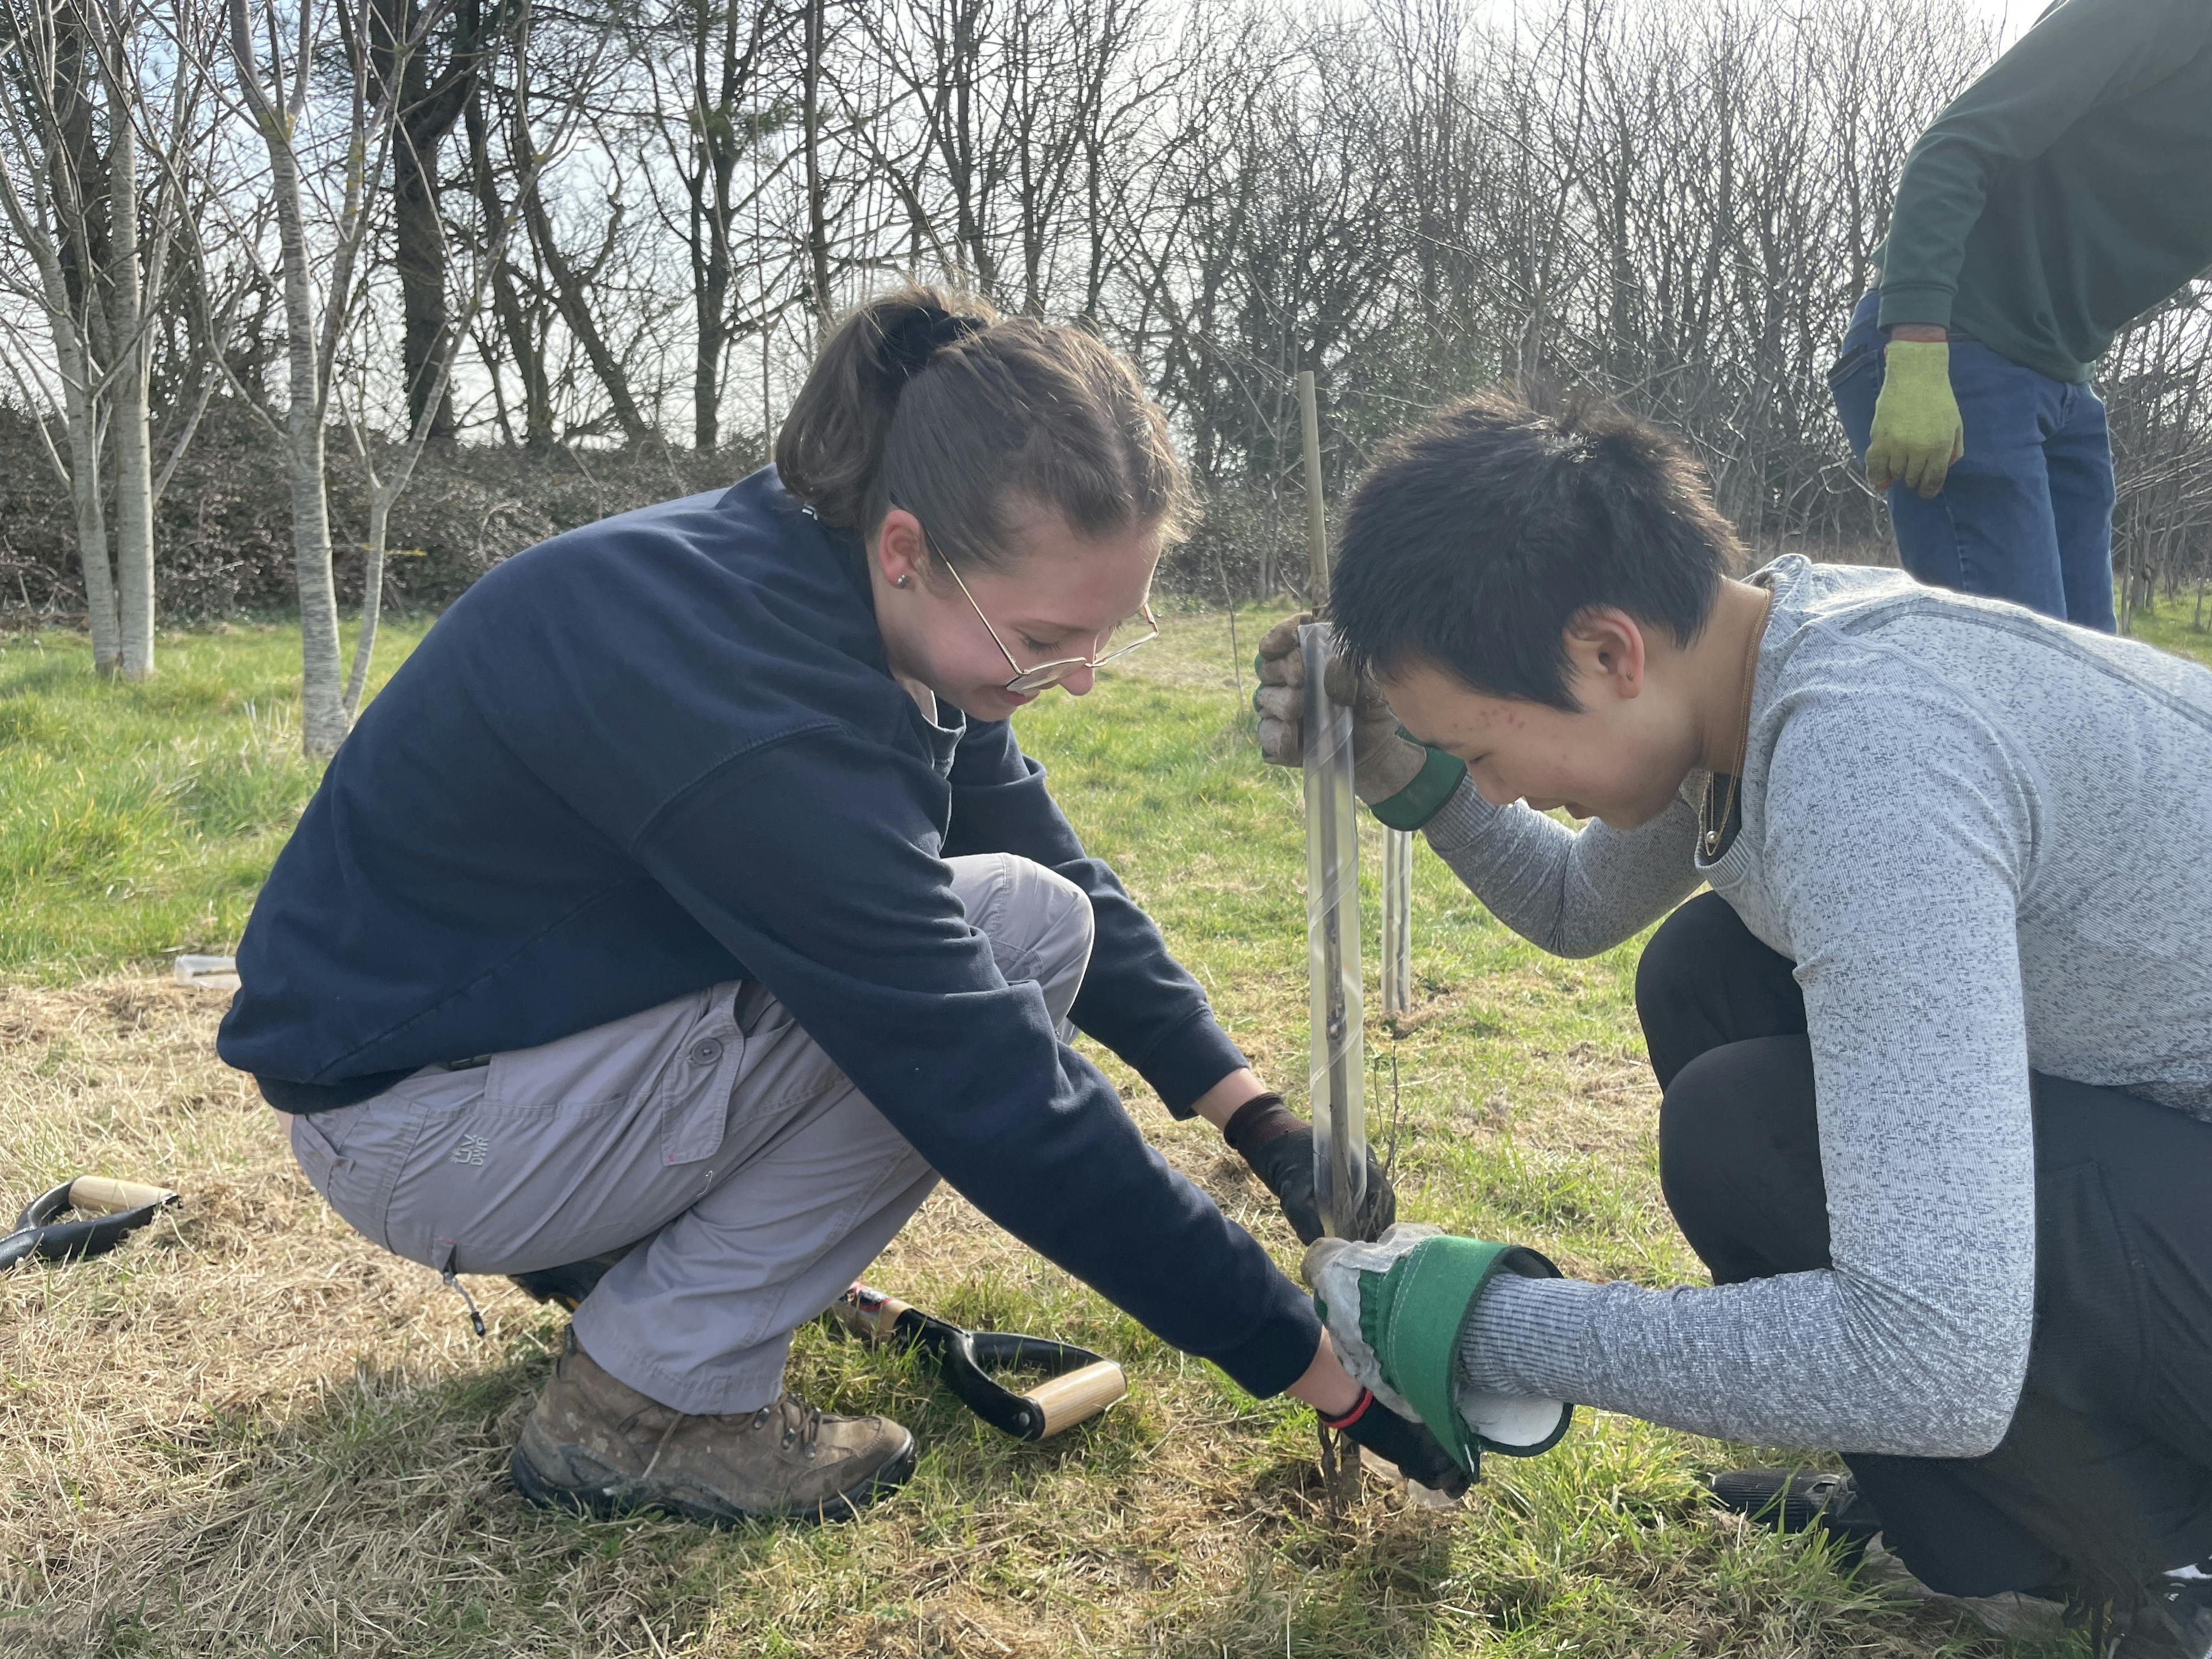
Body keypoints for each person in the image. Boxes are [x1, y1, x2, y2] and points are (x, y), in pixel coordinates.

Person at [217, 286, 1455, 1526]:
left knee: (1037, 913)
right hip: (428, 1134)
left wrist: (1258, 1120)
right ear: (911, 548)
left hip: (504, 1059)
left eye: (1104, 636)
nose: (1076, 681)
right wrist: (1309, 1364)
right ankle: (643, 1406)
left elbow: (1047, 860)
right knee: (985, 964)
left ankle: (632, 1272)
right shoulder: (758, 701)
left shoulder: (840, 586)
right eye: (1044, 638)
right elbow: (986, 1084)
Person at [1253, 389, 2212, 1657]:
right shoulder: (1758, 648)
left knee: (1737, 1124)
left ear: (1607, 653)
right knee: (1705, 968)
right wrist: (1403, 768)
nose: (1493, 786)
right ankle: (1964, 1503)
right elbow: (1573, 896)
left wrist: (1478, 1324)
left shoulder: (1869, 762)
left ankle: (2161, 1550)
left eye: (1481, 749)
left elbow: (1928, 1350)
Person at [1830, 0, 2212, 632]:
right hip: (1956, 345)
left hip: (2063, 380)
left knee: (2091, 689)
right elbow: (1953, 147)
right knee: (2019, 690)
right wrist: (1919, 348)